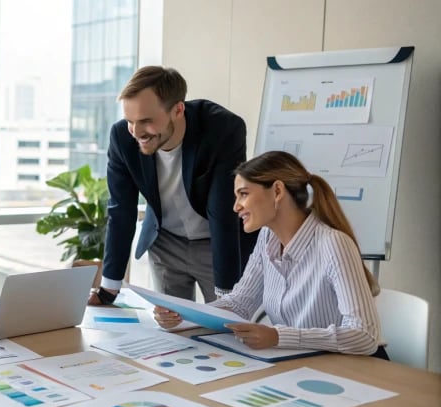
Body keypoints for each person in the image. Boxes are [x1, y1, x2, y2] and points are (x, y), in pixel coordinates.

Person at [154, 151, 386, 357]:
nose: (236, 206)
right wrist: (183, 316)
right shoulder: (267, 238)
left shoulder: (333, 244)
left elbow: (364, 335)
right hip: (300, 364)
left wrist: (278, 336)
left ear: (277, 191)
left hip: (353, 370)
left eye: (243, 194)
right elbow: (239, 304)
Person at [89, 66, 256, 306]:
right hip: (165, 244)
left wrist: (227, 294)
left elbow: (222, 210)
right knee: (171, 330)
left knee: (228, 325)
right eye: (130, 121)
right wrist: (108, 288)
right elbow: (121, 209)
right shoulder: (122, 137)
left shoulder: (222, 128)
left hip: (215, 243)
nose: (136, 133)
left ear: (178, 110)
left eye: (146, 121)